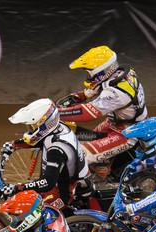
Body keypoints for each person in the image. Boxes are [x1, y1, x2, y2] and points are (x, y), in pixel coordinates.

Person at [57, 45, 148, 179]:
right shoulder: (120, 74)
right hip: (115, 123)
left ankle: (82, 190)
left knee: (80, 156)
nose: (88, 76)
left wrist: (56, 114)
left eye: (89, 73)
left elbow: (88, 112)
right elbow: (98, 87)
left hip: (127, 133)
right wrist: (79, 96)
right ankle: (103, 167)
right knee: (84, 139)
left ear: (102, 72)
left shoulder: (116, 92)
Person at [0, 98, 92, 209]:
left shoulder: (56, 150)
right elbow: (39, 140)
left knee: (32, 215)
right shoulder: (58, 128)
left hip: (62, 196)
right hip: (61, 182)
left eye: (32, 127)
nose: (30, 130)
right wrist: (14, 145)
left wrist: (17, 188)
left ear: (45, 124)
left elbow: (47, 182)